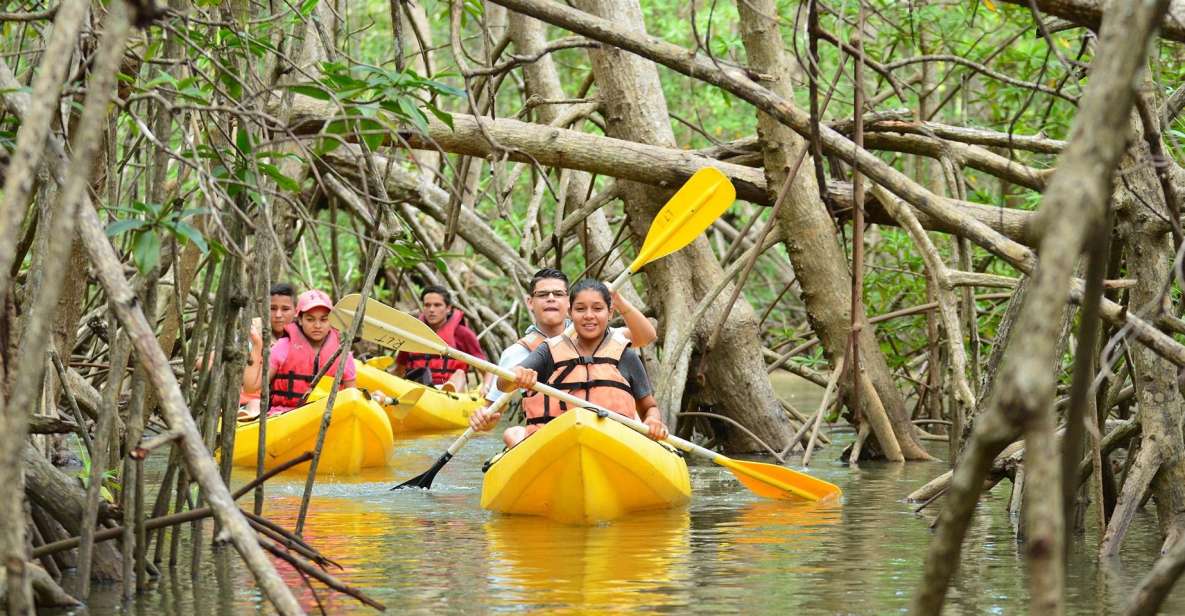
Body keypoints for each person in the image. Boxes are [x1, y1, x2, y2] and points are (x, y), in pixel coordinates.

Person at [472, 279, 668, 448]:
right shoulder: (548, 350)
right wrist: (517, 376)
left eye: (597, 309)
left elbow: (649, 406)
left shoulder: (625, 354)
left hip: (614, 441)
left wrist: (653, 420)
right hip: (557, 442)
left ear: (610, 313)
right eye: (580, 309)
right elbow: (503, 383)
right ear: (570, 314)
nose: (589, 315)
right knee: (513, 433)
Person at [252, 289, 357, 416]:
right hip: (284, 415)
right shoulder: (282, 347)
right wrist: (256, 345)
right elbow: (252, 387)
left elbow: (352, 396)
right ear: (300, 320)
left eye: (324, 319)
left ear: (331, 320)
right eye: (310, 319)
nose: (317, 325)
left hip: (327, 415)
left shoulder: (343, 355)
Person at [393, 285, 486, 392]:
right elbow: (399, 370)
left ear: (448, 308)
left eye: (437, 305)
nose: (432, 310)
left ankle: (449, 393)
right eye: (427, 305)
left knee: (460, 374)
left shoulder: (463, 334)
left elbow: (487, 370)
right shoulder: (413, 334)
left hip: (449, 392)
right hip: (416, 390)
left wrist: (485, 387)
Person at [239, 283, 299, 419]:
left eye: (285, 309)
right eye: (272, 308)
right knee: (254, 403)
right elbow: (204, 362)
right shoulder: (254, 331)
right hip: (250, 400)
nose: (278, 315)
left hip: (286, 403)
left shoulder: (304, 334)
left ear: (296, 311)